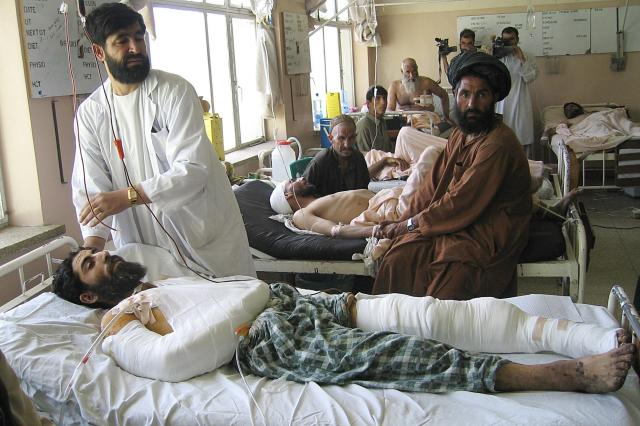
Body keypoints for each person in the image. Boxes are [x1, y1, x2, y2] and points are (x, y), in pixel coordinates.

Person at [50, 248, 635, 394]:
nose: (103, 256)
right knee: (396, 356)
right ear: (87, 295)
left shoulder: (155, 279)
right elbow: (177, 358)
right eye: (90, 264)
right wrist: (253, 300)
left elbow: (227, 293)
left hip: (285, 301)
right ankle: (562, 373)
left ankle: (568, 331)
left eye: (97, 251)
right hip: (263, 337)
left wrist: (256, 295)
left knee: (428, 313)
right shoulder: (115, 327)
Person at [71, 3, 254, 277]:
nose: (135, 48)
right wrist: (90, 253)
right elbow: (91, 188)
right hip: (143, 244)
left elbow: (192, 168)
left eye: (139, 37)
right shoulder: (91, 114)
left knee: (231, 301)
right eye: (122, 41)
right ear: (99, 52)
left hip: (201, 238)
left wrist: (127, 197)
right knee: (159, 301)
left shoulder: (174, 91)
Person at [371, 52, 532, 300]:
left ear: (493, 99)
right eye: (465, 94)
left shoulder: (497, 144)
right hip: (457, 222)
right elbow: (432, 185)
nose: (472, 104)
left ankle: (431, 325)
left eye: (481, 95)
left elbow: (461, 200)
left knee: (449, 287)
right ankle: (391, 324)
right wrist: (402, 222)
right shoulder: (460, 134)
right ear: (455, 95)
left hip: (488, 229)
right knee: (398, 259)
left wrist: (410, 225)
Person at [494, 27, 539, 158]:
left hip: (520, 103)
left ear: (517, 39)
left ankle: (527, 168)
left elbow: (530, 77)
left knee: (523, 141)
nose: (508, 42)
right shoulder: (499, 58)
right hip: (503, 104)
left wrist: (521, 59)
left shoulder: (528, 56)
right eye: (505, 40)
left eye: (511, 39)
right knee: (502, 142)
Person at [356, 85, 394, 153]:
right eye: (377, 99)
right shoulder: (363, 126)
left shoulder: (382, 121)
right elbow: (364, 155)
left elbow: (387, 148)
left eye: (384, 98)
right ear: (368, 104)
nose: (383, 102)